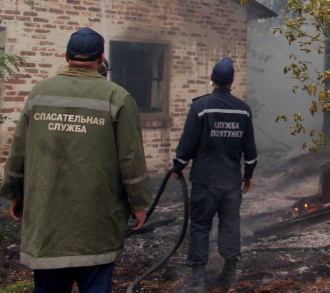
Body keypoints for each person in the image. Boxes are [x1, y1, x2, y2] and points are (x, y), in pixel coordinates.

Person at [0, 27, 152, 292]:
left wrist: (14, 192)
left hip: (48, 223)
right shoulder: (117, 97)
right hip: (96, 225)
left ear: (65, 55)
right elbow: (131, 159)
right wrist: (138, 203)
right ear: (101, 58)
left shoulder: (39, 93)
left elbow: (19, 150)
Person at [172, 57, 258, 291]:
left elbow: (187, 142)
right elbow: (249, 149)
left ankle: (196, 283)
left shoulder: (200, 107)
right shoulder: (244, 110)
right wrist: (248, 174)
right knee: (230, 224)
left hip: (205, 181)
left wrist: (178, 167)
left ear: (211, 79)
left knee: (200, 226)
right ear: (232, 81)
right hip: (231, 182)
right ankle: (228, 276)